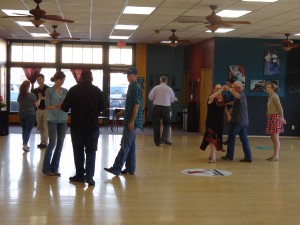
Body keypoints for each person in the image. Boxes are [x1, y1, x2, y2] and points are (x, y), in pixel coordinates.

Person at [61, 70, 105, 185]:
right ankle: (89, 177)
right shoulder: (97, 91)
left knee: (78, 151)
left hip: (77, 126)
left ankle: (80, 175)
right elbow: (102, 108)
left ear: (80, 78)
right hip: (92, 126)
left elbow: (65, 108)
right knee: (91, 151)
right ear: (92, 78)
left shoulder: (74, 90)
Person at [104, 67, 143, 176]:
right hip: (129, 119)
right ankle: (130, 168)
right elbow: (131, 105)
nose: (128, 76)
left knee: (125, 144)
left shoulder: (136, 88)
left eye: (130, 75)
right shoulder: (131, 87)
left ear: (135, 75)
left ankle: (116, 168)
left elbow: (136, 105)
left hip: (131, 122)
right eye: (127, 74)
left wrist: (131, 122)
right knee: (130, 145)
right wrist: (121, 112)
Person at [42, 71, 68, 176]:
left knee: (60, 144)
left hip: (63, 120)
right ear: (56, 79)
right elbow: (47, 106)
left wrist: (64, 106)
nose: (62, 82)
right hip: (52, 119)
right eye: (61, 79)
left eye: (63, 80)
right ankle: (46, 168)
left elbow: (68, 104)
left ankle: (55, 168)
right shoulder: (49, 90)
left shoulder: (66, 91)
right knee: (52, 143)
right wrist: (56, 106)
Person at [221, 81, 252, 162]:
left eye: (235, 87)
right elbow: (235, 101)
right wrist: (228, 103)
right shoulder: (240, 96)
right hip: (243, 121)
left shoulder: (241, 94)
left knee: (231, 137)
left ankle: (229, 156)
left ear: (239, 88)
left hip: (238, 121)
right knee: (244, 139)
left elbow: (237, 96)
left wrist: (229, 89)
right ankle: (248, 157)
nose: (233, 88)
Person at [200, 84, 226, 163]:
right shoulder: (211, 98)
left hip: (219, 122)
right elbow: (211, 98)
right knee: (212, 138)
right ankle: (213, 157)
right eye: (217, 88)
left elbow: (226, 106)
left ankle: (211, 154)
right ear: (213, 89)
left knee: (216, 138)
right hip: (211, 122)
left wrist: (228, 115)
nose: (219, 89)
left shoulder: (224, 98)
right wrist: (221, 90)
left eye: (220, 88)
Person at [148, 75, 177, 146]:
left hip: (156, 108)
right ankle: (164, 138)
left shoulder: (156, 88)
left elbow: (150, 98)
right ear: (166, 81)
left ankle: (157, 142)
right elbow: (173, 100)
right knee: (167, 123)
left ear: (160, 80)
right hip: (166, 108)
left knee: (156, 124)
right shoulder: (169, 89)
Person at [17, 80, 41, 152]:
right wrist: (39, 98)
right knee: (28, 130)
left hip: (21, 114)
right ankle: (25, 145)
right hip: (30, 114)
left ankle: (25, 144)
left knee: (24, 130)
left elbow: (19, 103)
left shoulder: (20, 95)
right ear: (28, 86)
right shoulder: (31, 95)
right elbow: (37, 104)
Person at [265, 81, 286, 161]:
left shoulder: (275, 96)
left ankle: (276, 156)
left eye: (268, 87)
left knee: (275, 137)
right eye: (266, 87)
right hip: (271, 117)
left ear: (273, 88)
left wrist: (282, 118)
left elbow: (280, 108)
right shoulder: (270, 97)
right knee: (273, 137)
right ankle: (274, 155)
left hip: (276, 118)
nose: (266, 88)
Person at [32, 74, 49, 149]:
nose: (39, 81)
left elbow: (50, 99)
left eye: (40, 79)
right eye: (37, 80)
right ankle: (42, 141)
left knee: (45, 126)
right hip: (39, 110)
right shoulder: (35, 90)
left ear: (43, 79)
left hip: (47, 110)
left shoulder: (48, 89)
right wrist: (38, 100)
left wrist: (42, 98)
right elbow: (34, 101)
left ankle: (44, 142)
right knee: (39, 126)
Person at [223, 79, 234, 145]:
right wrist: (227, 113)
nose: (226, 84)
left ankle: (231, 140)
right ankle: (228, 139)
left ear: (231, 83)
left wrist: (230, 113)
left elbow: (235, 103)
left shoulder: (234, 92)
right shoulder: (226, 93)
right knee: (228, 125)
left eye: (228, 83)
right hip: (228, 110)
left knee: (232, 126)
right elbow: (225, 104)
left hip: (233, 111)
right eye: (226, 83)